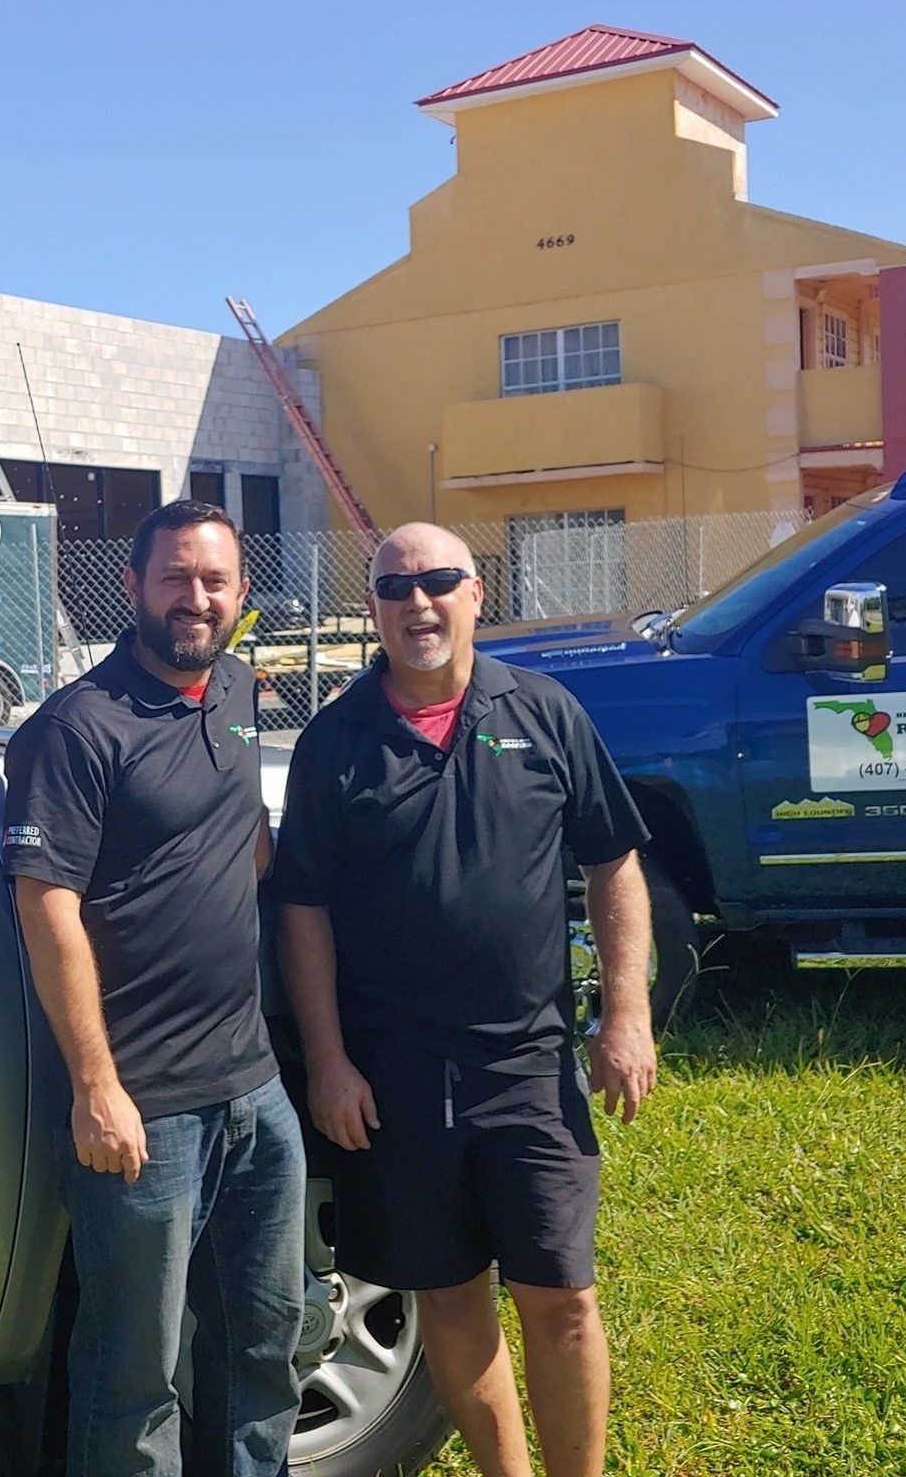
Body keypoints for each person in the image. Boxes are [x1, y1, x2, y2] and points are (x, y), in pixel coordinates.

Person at [273, 521, 657, 1477]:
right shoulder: (334, 742)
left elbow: (613, 862)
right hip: (395, 1074)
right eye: (395, 588)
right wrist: (328, 1061)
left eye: (439, 580)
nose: (418, 602)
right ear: (372, 610)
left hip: (528, 1065)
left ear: (476, 593)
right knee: (447, 1297)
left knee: (562, 1299)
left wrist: (627, 1014)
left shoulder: (545, 711)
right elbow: (302, 907)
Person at [2, 498, 305, 1477]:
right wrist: (97, 1088)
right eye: (175, 577)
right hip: (144, 1108)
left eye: (215, 580)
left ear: (242, 594)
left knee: (265, 1342)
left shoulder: (240, 690)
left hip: (254, 1083)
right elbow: (45, 907)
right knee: (135, 1373)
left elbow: (244, 835)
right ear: (132, 586)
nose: (195, 598)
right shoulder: (75, 729)